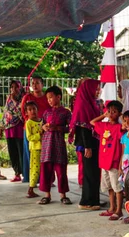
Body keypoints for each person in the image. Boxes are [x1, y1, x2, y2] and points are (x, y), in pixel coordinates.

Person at [38, 86, 72, 205]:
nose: (49, 100)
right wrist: (43, 127)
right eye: (48, 98)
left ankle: (63, 195)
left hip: (59, 145)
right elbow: (41, 126)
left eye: (51, 97)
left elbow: (70, 128)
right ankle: (47, 195)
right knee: (46, 171)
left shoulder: (66, 112)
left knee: (61, 171)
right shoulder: (46, 112)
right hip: (47, 146)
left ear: (58, 97)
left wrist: (58, 128)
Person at [71, 79, 102, 211]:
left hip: (93, 142)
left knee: (94, 172)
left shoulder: (91, 103)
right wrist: (87, 146)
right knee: (89, 173)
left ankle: (94, 200)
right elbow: (83, 127)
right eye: (96, 89)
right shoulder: (83, 105)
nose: (98, 91)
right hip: (87, 144)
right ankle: (86, 201)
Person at [91, 101, 124, 220]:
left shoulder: (119, 128)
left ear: (119, 113)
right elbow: (92, 122)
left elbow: (125, 130)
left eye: (114, 112)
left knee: (117, 187)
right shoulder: (104, 126)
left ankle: (119, 210)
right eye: (109, 111)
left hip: (114, 161)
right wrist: (103, 115)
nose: (111, 114)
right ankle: (112, 207)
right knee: (109, 186)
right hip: (104, 161)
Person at [21, 76, 50, 184]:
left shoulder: (47, 97)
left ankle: (45, 178)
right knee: (30, 154)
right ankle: (31, 178)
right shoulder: (27, 97)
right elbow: (23, 113)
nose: (35, 85)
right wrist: (33, 122)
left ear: (42, 84)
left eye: (37, 83)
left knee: (45, 154)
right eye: (33, 83)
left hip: (44, 128)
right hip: (31, 129)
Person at [2, 80, 25, 182]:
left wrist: (15, 101)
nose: (13, 89)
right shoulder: (8, 99)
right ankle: (17, 173)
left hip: (19, 127)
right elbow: (5, 112)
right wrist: (1, 127)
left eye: (16, 87)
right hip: (9, 128)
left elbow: (21, 113)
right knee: (12, 152)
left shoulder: (24, 98)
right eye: (12, 87)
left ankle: (25, 173)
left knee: (21, 151)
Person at [24, 102, 43, 198]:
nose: (32, 111)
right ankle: (31, 188)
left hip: (44, 147)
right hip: (35, 148)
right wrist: (40, 134)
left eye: (34, 109)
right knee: (35, 168)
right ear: (26, 112)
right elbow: (29, 137)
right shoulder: (29, 123)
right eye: (30, 110)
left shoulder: (42, 121)